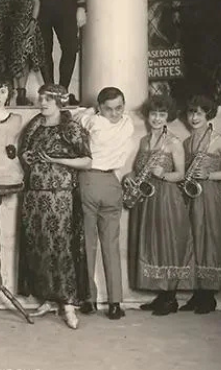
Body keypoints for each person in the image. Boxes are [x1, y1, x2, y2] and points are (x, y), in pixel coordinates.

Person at [16, 84, 91, 330]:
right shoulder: (34, 125)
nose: (43, 102)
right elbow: (24, 153)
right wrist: (26, 158)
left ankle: (68, 303)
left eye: (48, 99)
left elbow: (87, 160)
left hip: (60, 197)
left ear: (59, 101)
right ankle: (47, 298)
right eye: (42, 98)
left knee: (61, 248)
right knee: (39, 247)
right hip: (34, 196)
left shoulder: (71, 127)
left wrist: (57, 159)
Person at [73, 87, 136, 319]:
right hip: (112, 183)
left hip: (89, 181)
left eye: (118, 108)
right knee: (111, 246)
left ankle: (88, 300)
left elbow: (78, 116)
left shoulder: (95, 122)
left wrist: (93, 110)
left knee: (88, 243)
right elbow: (120, 118)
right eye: (110, 109)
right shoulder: (128, 124)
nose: (115, 113)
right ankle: (115, 303)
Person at [126, 95, 189, 317]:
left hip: (166, 198)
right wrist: (129, 176)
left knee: (166, 244)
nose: (157, 118)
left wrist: (163, 174)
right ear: (148, 115)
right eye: (154, 114)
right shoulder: (144, 141)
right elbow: (137, 168)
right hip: (146, 197)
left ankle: (170, 299)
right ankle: (161, 295)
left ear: (168, 117)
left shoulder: (173, 142)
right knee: (152, 245)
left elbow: (181, 175)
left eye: (162, 115)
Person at [180, 95, 221, 313]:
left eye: (199, 113)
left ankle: (209, 296)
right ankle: (197, 293)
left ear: (208, 115)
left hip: (210, 195)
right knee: (194, 241)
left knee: (209, 240)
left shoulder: (218, 140)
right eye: (190, 112)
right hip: (192, 195)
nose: (194, 117)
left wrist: (209, 174)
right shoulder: (187, 142)